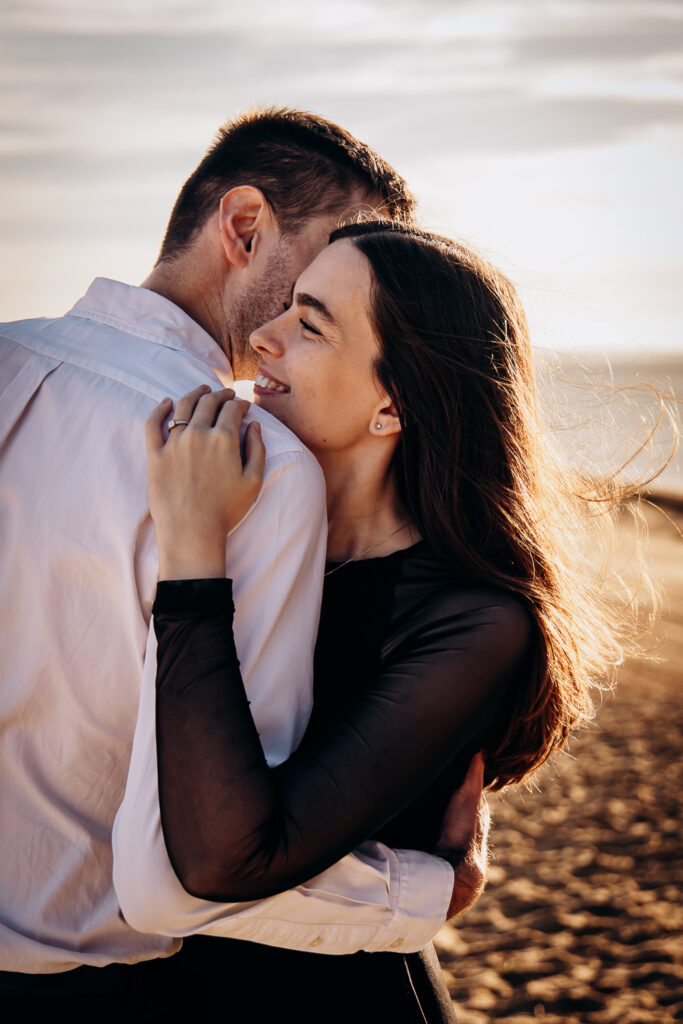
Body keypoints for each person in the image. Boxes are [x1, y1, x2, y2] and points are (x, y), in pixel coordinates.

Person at [0, 111, 487, 1010]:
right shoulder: (260, 465)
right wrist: (424, 889)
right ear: (245, 226)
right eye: (327, 265)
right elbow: (209, 856)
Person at [115, 221, 628, 1021]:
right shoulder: (246, 534)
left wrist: (191, 547)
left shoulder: (471, 621)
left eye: (310, 324)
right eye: (285, 305)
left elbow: (224, 861)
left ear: (392, 404)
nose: (262, 336)